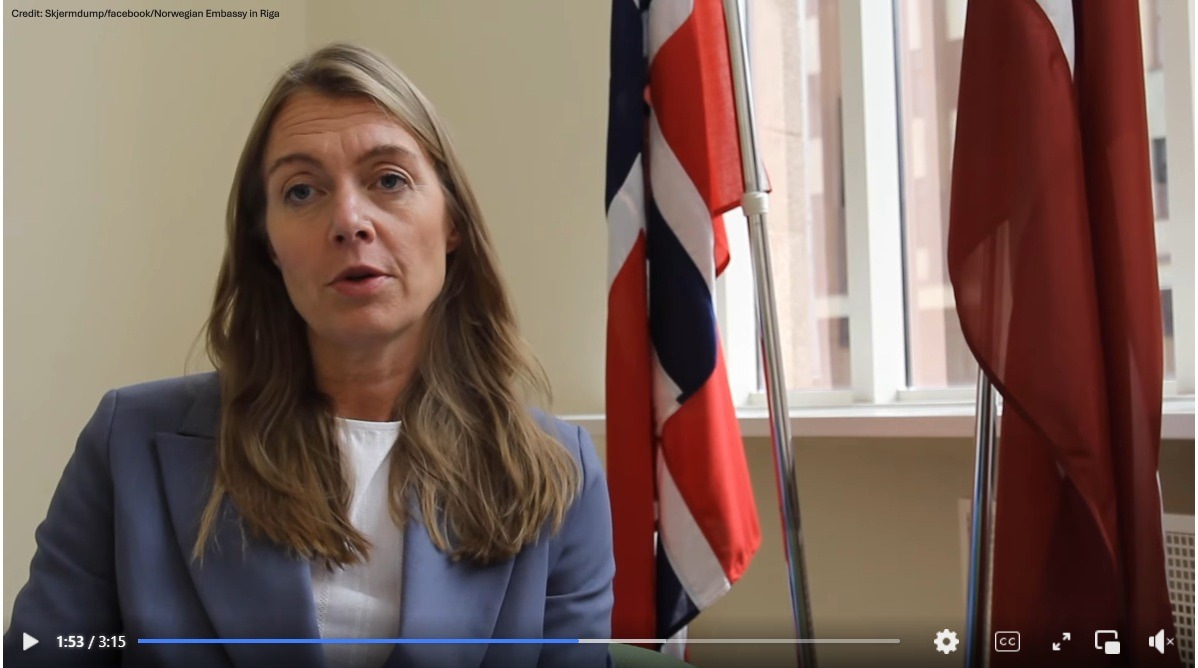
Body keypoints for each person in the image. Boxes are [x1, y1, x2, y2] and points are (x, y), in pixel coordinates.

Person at [3, 42, 614, 668]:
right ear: (268, 244)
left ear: (452, 220)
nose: (349, 221)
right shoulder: (128, 442)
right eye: (301, 191)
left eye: (389, 180)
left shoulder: (559, 473)